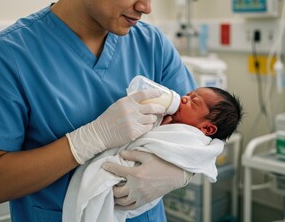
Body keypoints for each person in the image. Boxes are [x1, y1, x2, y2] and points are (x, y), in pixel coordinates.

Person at [0, 0, 198, 222]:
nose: (146, 6)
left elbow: (209, 126)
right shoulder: (9, 55)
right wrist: (88, 140)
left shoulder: (151, 44)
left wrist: (179, 172)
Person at [62, 86, 244, 222]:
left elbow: (194, 156)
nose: (183, 99)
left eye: (193, 102)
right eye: (188, 94)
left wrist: (181, 172)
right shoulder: (172, 117)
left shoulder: (192, 138)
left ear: (207, 128)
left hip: (135, 189)